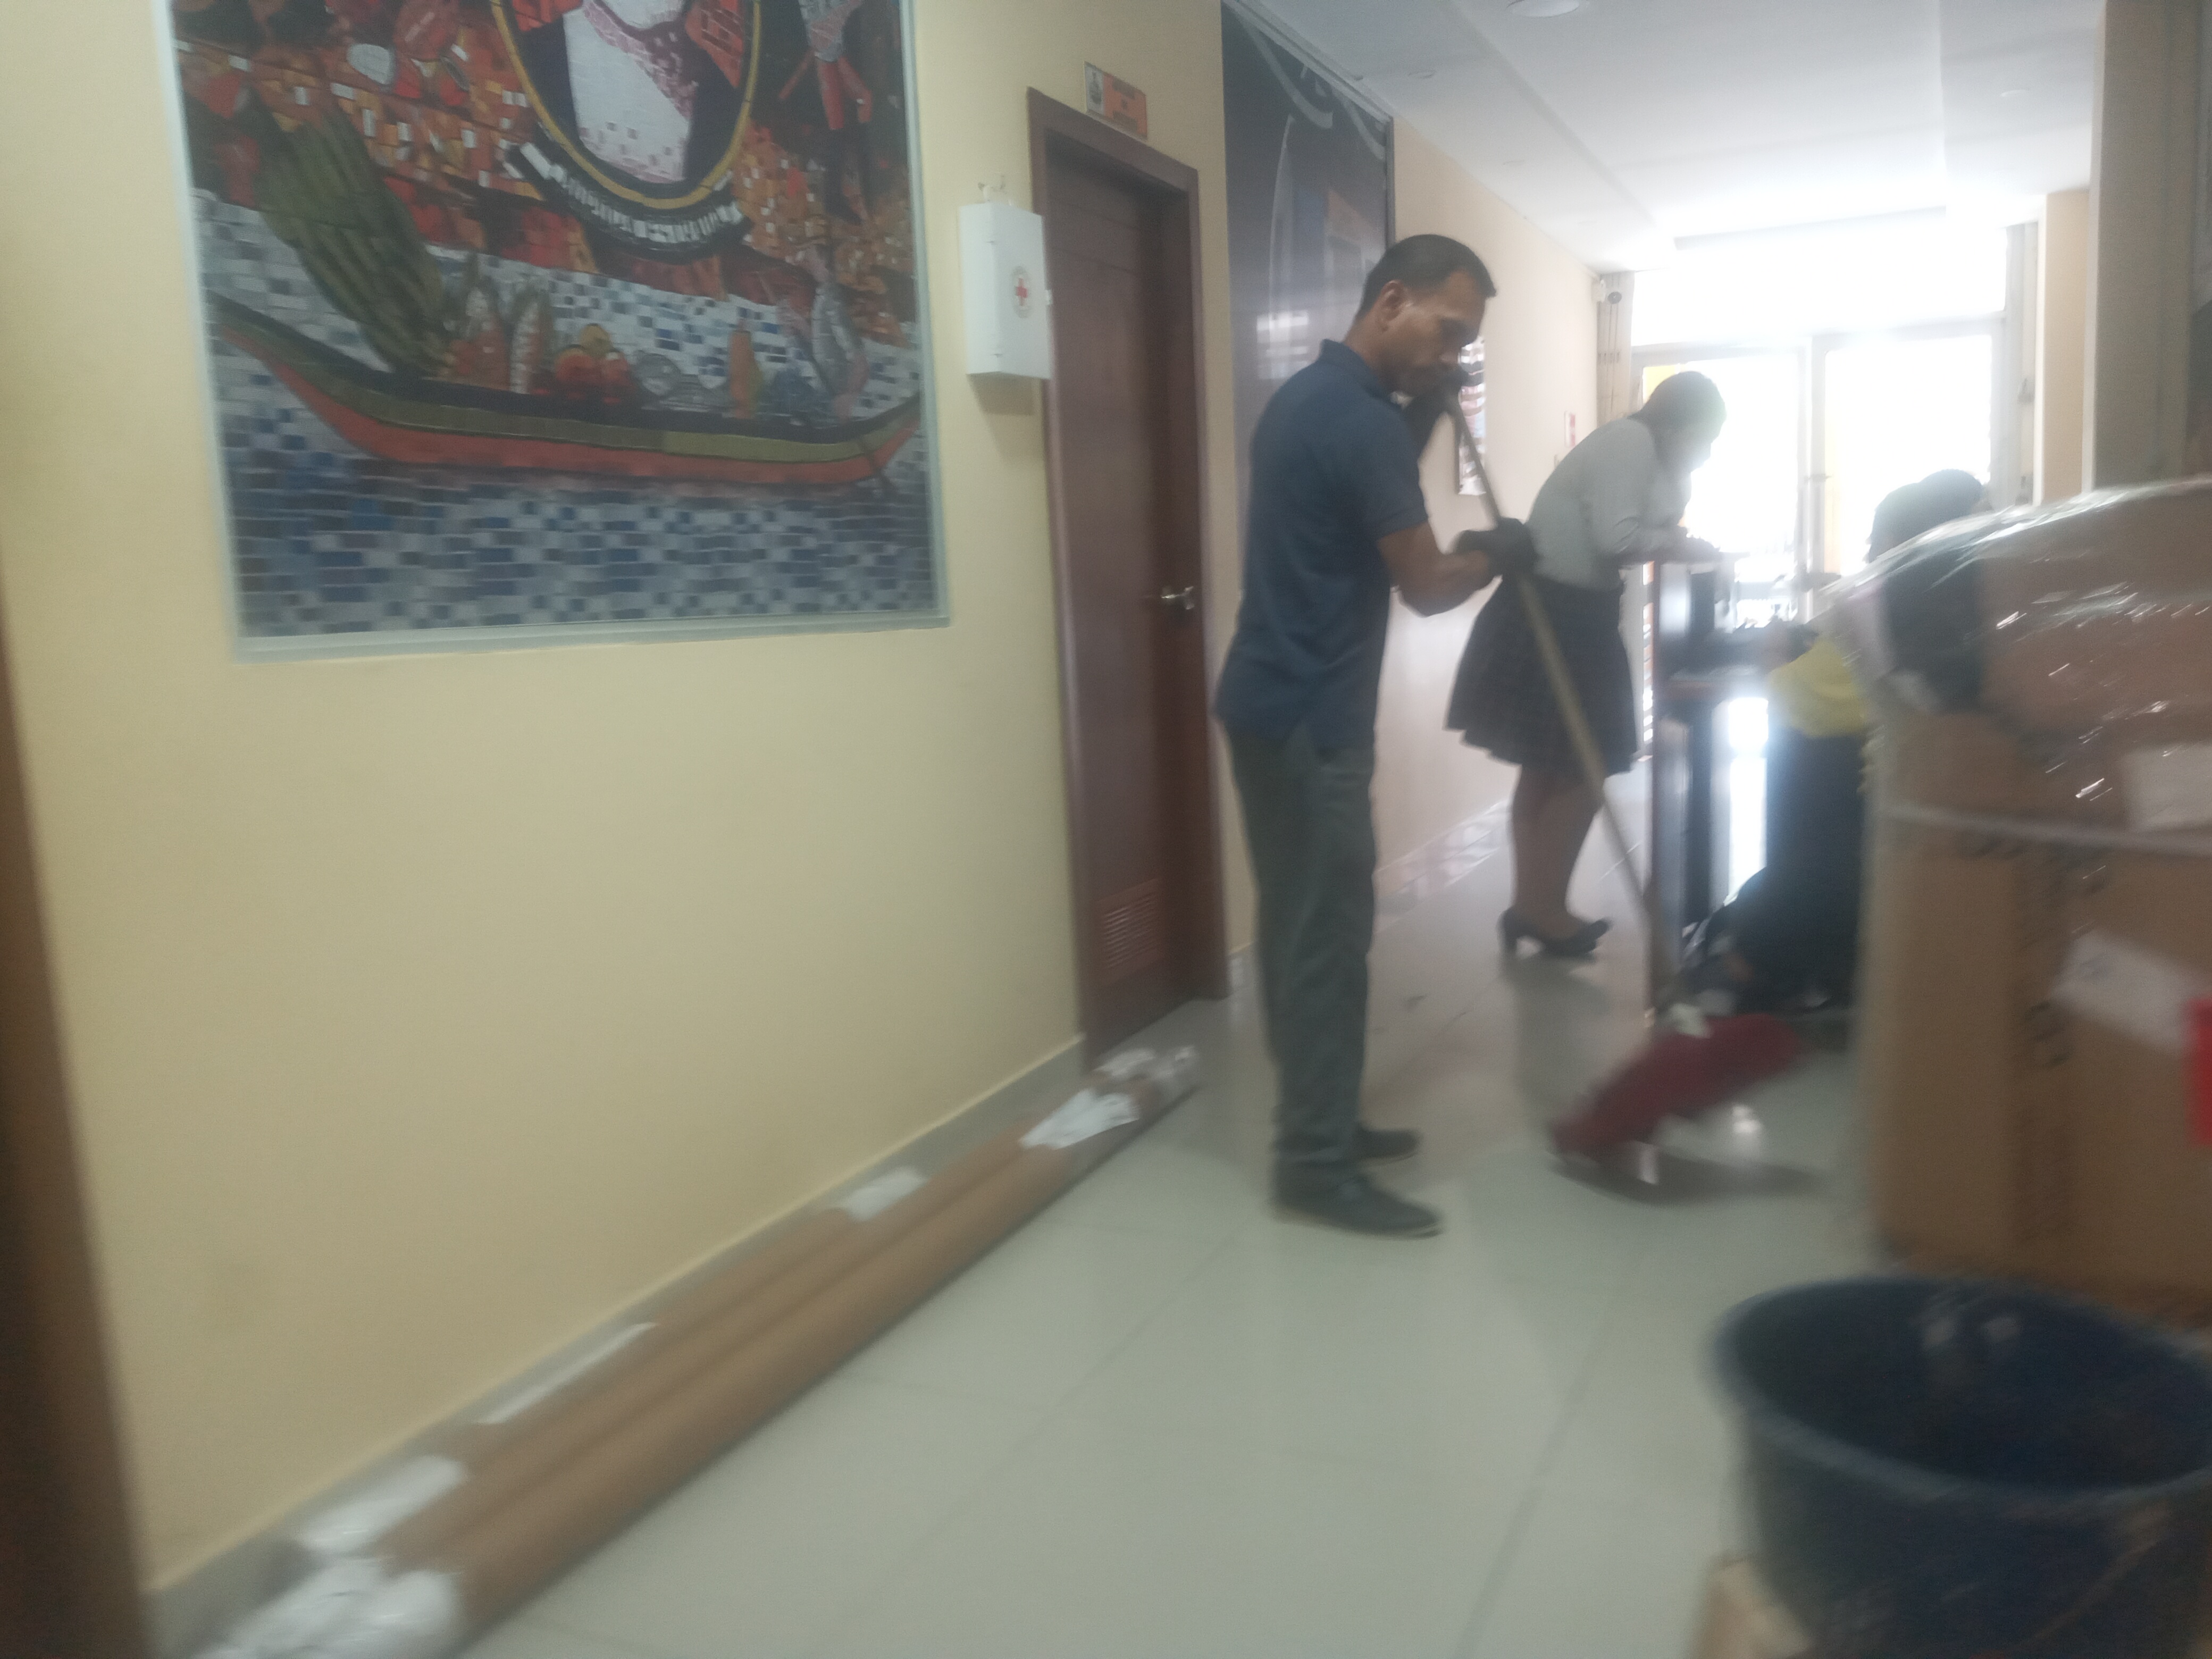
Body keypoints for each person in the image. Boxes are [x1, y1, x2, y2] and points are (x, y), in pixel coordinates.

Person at [1215, 234, 1538, 1239]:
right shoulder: (1360, 425)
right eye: (1448, 332)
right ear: (1392, 300)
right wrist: (1493, 553)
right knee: (1326, 941)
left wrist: (1428, 414)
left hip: (1268, 701)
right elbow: (1426, 585)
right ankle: (1313, 1163)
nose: (1453, 354)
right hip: (1310, 717)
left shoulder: (1310, 399)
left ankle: (1323, 1116)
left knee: (1300, 928)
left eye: (1466, 345)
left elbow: (1366, 480)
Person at [1448, 372, 1728, 958]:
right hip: (1551, 611)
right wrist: (1682, 544)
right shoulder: (1629, 441)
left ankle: (1532, 908)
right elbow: (1615, 538)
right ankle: (1541, 908)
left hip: (1578, 613)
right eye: (1704, 437)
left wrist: (1675, 530)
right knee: (1582, 765)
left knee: (1551, 768)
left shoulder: (1659, 463)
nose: (1706, 452)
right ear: (1674, 424)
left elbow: (1644, 528)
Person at [1690, 469, 1987, 1015]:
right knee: (1766, 892)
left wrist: (1775, 658)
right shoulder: (1979, 605)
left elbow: (1802, 702)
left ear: (1893, 543)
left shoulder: (1893, 614)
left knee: (1779, 893)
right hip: (1962, 814)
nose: (1867, 555)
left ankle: (1749, 972)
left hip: (1902, 825)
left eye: (1873, 542)